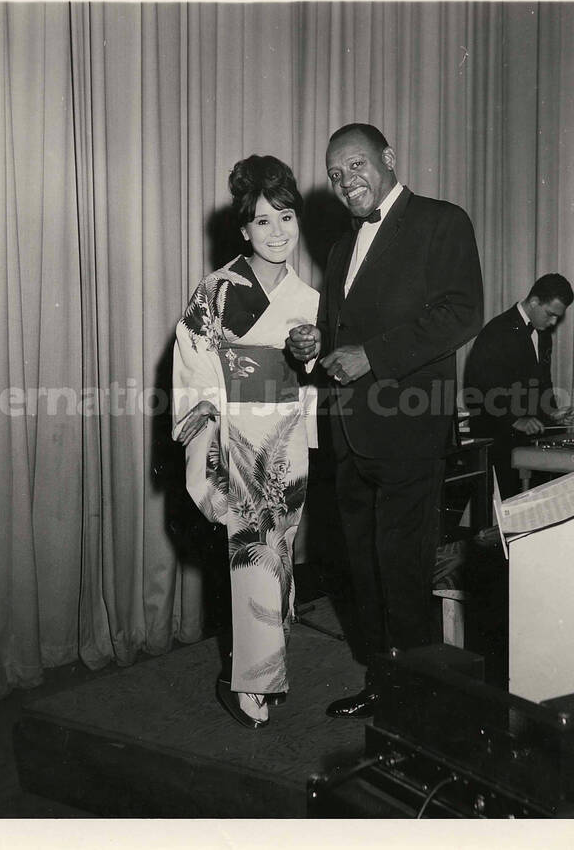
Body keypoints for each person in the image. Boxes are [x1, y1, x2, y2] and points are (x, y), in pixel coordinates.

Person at [287, 123, 484, 719]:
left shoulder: (440, 221)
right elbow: (341, 338)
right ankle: (384, 682)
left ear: (389, 159)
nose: (347, 182)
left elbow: (462, 313)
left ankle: (422, 701)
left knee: (402, 568)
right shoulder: (342, 249)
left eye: (356, 166)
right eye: (336, 175)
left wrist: (371, 355)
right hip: (350, 433)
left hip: (407, 429)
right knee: (364, 568)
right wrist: (312, 342)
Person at [172, 155, 319, 729]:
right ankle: (252, 686)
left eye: (286, 217)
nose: (278, 232)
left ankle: (263, 666)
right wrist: (211, 444)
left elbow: (316, 381)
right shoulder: (215, 293)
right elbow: (195, 370)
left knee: (278, 554)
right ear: (243, 230)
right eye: (263, 221)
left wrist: (311, 362)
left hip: (288, 437)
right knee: (251, 556)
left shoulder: (310, 300)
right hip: (237, 439)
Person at [464, 273, 574, 499]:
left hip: (527, 441)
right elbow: (478, 387)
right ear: (534, 302)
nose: (554, 323)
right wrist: (515, 420)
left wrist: (552, 412)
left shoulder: (543, 335)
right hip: (498, 437)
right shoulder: (496, 331)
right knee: (511, 511)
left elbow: (543, 382)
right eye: (551, 315)